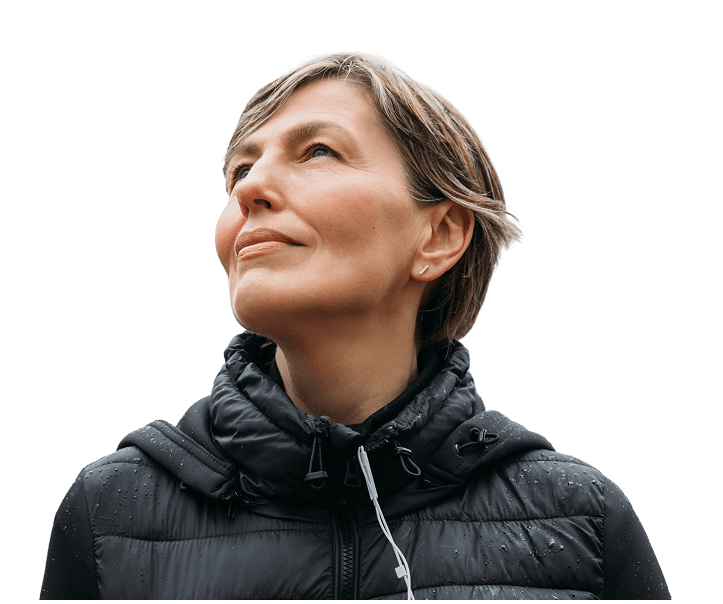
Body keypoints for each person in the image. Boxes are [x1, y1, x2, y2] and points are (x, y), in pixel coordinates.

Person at [40, 51, 671, 600]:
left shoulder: (581, 520)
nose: (250, 188)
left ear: (439, 235)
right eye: (239, 171)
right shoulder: (110, 514)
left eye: (318, 151)